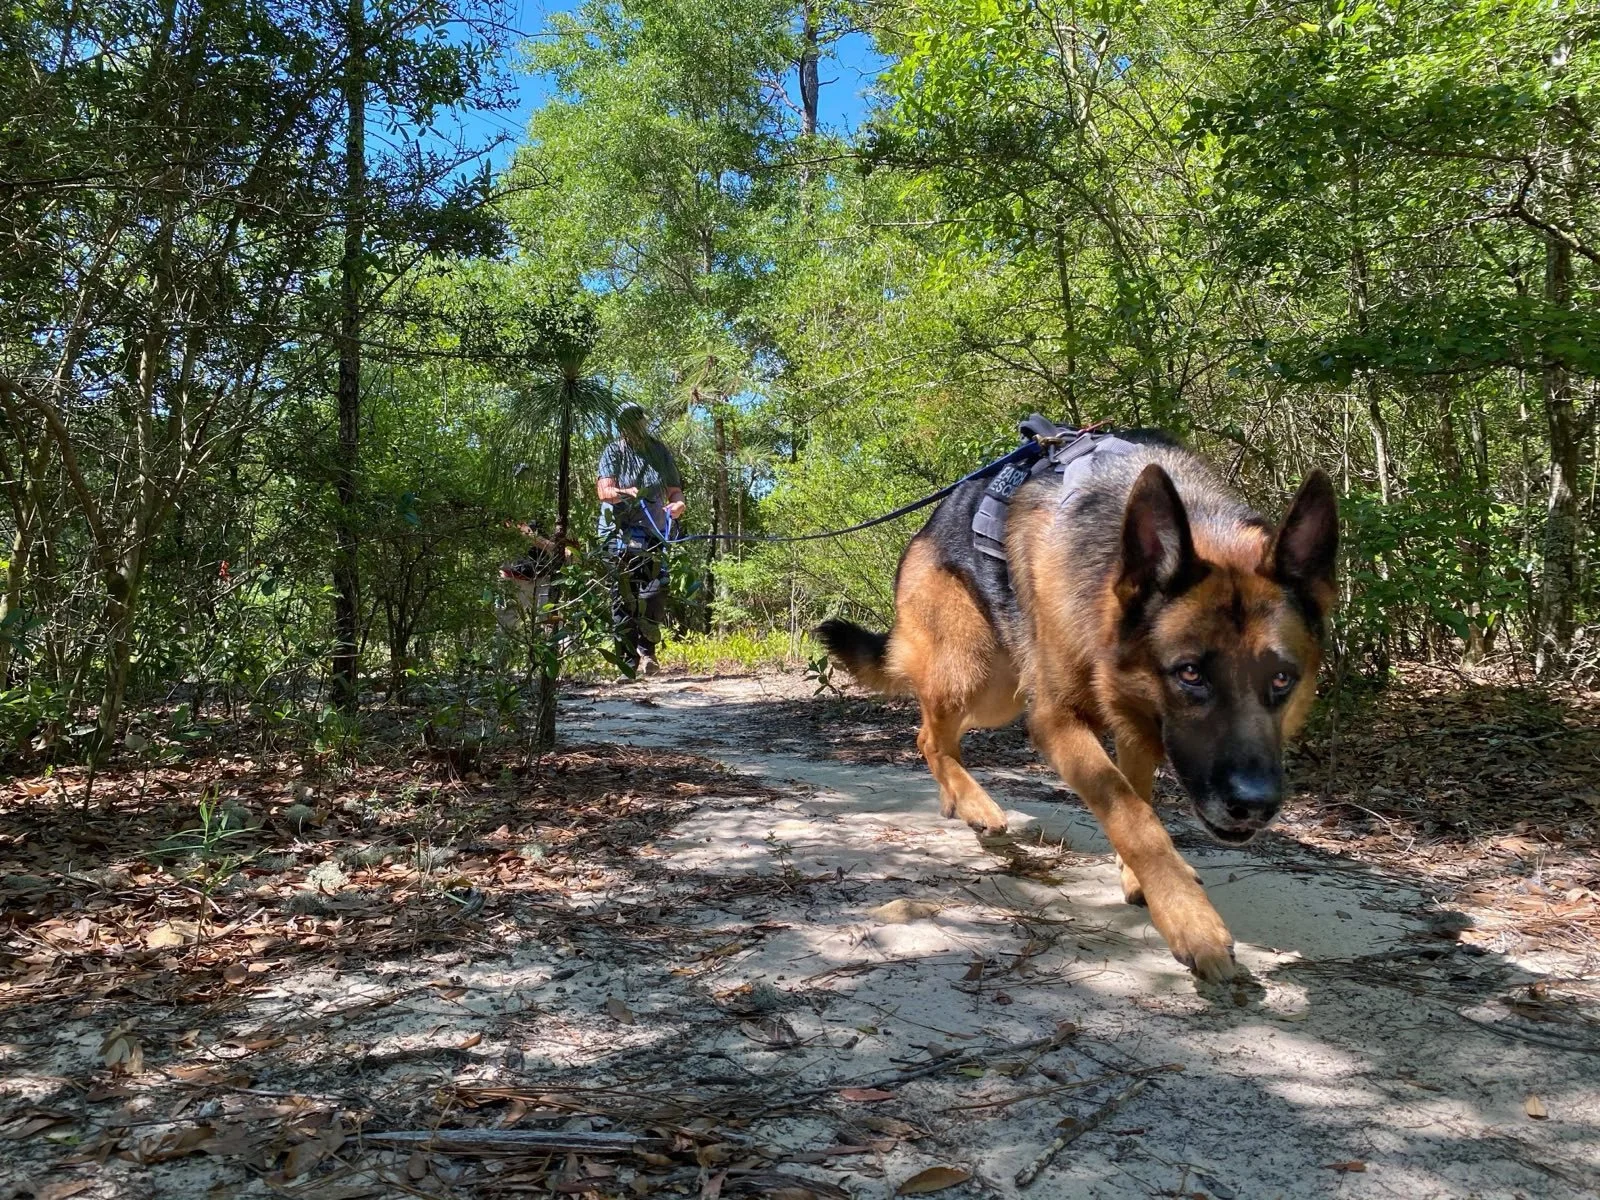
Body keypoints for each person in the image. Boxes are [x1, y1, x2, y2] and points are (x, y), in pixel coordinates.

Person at [597, 405, 686, 675]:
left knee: (657, 588)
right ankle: (626, 663)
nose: (633, 424)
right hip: (620, 533)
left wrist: (678, 506)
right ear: (621, 424)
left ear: (643, 421)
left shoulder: (659, 452)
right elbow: (604, 491)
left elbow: (675, 492)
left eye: (637, 419)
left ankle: (647, 650)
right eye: (627, 420)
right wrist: (624, 492)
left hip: (655, 532)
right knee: (624, 596)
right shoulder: (614, 451)